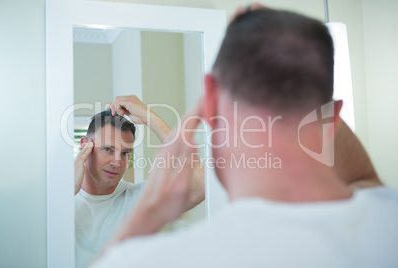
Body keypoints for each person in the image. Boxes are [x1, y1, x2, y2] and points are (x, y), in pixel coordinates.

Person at [90, 5, 398, 268]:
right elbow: (364, 179)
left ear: (209, 100)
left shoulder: (173, 259)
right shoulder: (387, 221)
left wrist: (149, 211)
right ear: (333, 117)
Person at [74, 95, 205, 268]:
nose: (117, 162)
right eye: (107, 149)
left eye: (125, 153)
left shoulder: (139, 199)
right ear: (85, 146)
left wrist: (149, 117)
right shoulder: (60, 199)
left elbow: (201, 186)